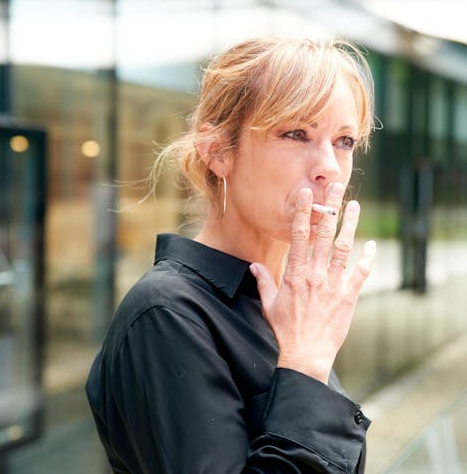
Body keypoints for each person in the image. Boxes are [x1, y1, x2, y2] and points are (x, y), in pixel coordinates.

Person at [85, 37, 377, 473]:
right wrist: (306, 365)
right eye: (296, 133)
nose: (329, 167)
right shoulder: (167, 314)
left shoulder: (286, 306)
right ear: (218, 150)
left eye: (344, 141)